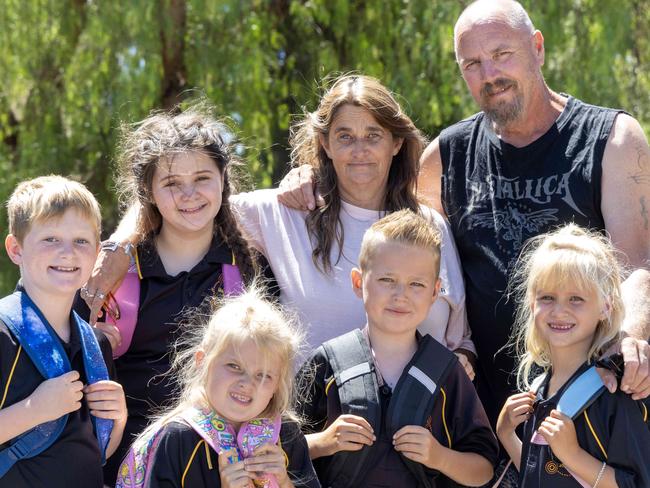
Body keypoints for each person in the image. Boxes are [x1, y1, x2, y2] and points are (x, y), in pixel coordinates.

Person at [277, 0, 650, 428]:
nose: (489, 75)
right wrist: (314, 175)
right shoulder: (447, 156)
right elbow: (380, 208)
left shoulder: (611, 139)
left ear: (538, 48)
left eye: (501, 55)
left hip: (592, 399)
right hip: (487, 414)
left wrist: (631, 341)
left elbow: (637, 264)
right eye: (472, 63)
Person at [81, 76, 476, 380]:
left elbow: (461, 339)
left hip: (418, 435)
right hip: (318, 437)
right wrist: (119, 247)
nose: (360, 151)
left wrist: (463, 362)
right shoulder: (288, 213)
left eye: (373, 135)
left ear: (395, 143)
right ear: (324, 143)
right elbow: (184, 200)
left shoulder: (428, 228)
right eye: (344, 136)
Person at [75, 106, 258, 485]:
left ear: (224, 180)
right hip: (121, 461)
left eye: (203, 178)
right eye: (172, 182)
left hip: (215, 463)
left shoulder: (248, 271)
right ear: (149, 192)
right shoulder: (110, 272)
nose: (189, 194)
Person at [296, 210, 497, 487]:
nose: (400, 295)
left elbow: (484, 469)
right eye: (386, 280)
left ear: (435, 291)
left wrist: (439, 457)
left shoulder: (446, 372)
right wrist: (322, 443)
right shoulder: (327, 363)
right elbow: (274, 446)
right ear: (358, 282)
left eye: (416, 284)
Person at [116, 285, 320, 488]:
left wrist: (284, 482)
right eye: (234, 366)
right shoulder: (177, 438)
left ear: (277, 383)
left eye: (263, 375)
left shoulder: (285, 434)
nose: (247, 383)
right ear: (202, 361)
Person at [496, 224, 650, 487]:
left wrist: (573, 455)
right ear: (532, 304)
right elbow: (541, 476)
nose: (559, 311)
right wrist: (506, 434)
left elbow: (636, 483)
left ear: (605, 307)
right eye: (547, 297)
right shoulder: (537, 389)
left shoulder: (615, 390)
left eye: (576, 299)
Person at [0, 175, 127, 487]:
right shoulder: (3, 333)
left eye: (81, 241)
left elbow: (95, 453)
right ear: (16, 249)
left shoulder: (96, 345)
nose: (68, 252)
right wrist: (34, 410)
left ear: (97, 252)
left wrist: (118, 420)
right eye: (51, 239)